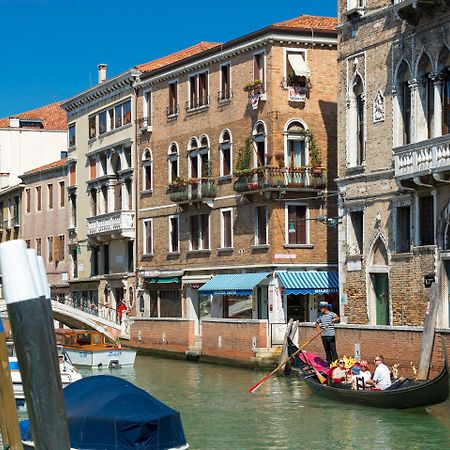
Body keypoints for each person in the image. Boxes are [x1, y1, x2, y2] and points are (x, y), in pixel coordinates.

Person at [316, 301, 340, 366]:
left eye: (321, 308)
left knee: (333, 349)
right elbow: (317, 324)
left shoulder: (331, 314)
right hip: (324, 335)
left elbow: (338, 318)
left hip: (331, 335)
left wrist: (334, 320)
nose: (320, 309)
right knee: (327, 350)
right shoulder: (320, 316)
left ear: (325, 308)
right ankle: (329, 363)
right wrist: (319, 332)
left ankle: (336, 363)